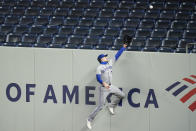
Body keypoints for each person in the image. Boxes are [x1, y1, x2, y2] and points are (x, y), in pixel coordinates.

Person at [87, 44, 127, 130]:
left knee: (122, 95)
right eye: (104, 57)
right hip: (104, 88)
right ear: (101, 59)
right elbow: (98, 78)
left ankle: (111, 106)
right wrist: (103, 82)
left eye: (105, 56)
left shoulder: (110, 63)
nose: (106, 57)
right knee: (101, 106)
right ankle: (89, 119)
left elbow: (117, 55)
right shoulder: (99, 67)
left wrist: (123, 47)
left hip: (111, 86)